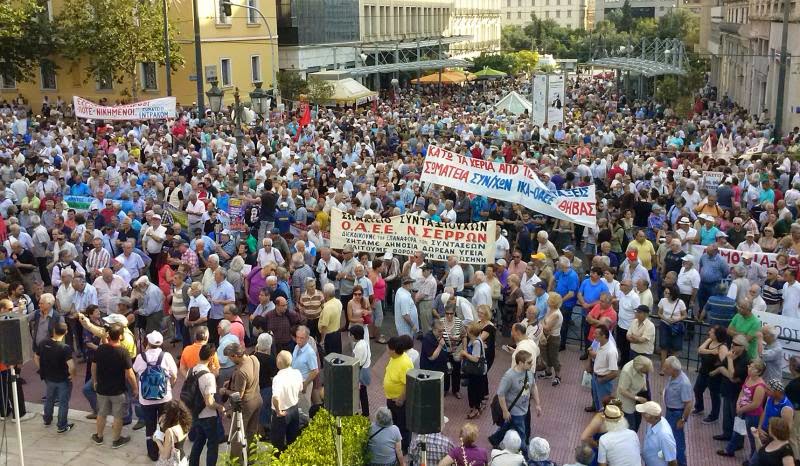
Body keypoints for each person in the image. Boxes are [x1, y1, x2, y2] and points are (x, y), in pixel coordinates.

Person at [132, 330, 179, 461]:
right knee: (165, 424)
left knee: (150, 426)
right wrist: (170, 387)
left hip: (146, 400)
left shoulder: (141, 357)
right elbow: (174, 376)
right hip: (165, 398)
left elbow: (135, 371)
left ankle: (152, 453)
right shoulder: (167, 356)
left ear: (148, 343)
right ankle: (165, 450)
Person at [91, 323, 137, 449]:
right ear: (121, 336)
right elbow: (130, 373)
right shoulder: (123, 352)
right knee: (118, 416)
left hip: (102, 389)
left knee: (101, 413)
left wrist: (95, 381)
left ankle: (99, 436)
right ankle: (116, 440)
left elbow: (93, 366)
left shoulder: (100, 349)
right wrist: (135, 388)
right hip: (118, 391)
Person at [488, 350, 541, 453]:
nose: (532, 364)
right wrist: (505, 411)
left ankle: (495, 439)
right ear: (520, 363)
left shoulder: (529, 372)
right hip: (515, 411)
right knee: (522, 434)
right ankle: (525, 454)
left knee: (507, 425)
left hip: (524, 408)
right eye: (529, 362)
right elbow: (501, 394)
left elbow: (533, 387)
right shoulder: (509, 376)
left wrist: (538, 404)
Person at [218, 342, 262, 462]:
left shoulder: (241, 372)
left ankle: (236, 461)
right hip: (257, 399)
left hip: (246, 405)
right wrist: (232, 382)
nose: (230, 360)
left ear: (234, 355)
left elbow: (238, 395)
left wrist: (225, 391)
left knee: (236, 436)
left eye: (229, 357)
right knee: (252, 432)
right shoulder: (254, 358)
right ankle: (252, 458)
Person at [718, 358, 768, 459]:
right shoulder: (749, 378)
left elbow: (756, 404)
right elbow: (742, 391)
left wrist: (741, 409)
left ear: (758, 372)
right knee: (737, 431)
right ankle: (730, 450)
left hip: (752, 414)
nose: (748, 368)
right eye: (749, 366)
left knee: (752, 438)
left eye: (752, 367)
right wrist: (738, 403)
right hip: (742, 410)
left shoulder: (760, 386)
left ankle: (753, 458)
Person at [187, 343, 226, 466]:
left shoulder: (191, 370)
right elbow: (209, 402)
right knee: (212, 445)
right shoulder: (208, 376)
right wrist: (220, 407)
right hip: (208, 416)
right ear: (211, 358)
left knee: (199, 441)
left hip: (195, 413)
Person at [36, 321, 76, 433]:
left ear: (53, 331)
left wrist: (41, 367)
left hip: (48, 377)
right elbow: (71, 366)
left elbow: (36, 356)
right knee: (63, 402)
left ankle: (47, 420)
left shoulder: (43, 343)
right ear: (66, 332)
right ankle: (62, 425)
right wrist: (73, 376)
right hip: (63, 379)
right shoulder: (65, 348)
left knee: (49, 399)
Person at [662, 356, 693, 466]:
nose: (663, 369)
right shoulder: (673, 376)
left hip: (676, 414)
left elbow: (689, 403)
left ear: (673, 369)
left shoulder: (684, 383)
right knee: (670, 437)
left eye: (666, 368)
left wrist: (683, 419)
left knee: (677, 440)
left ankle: (681, 463)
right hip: (670, 411)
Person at [384, 335, 413, 454]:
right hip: (391, 399)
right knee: (394, 425)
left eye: (387, 348)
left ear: (393, 350)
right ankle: (396, 445)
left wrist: (401, 399)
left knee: (403, 426)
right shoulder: (394, 358)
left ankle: (404, 448)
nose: (386, 349)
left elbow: (408, 384)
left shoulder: (405, 363)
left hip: (400, 401)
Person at [693, 325, 728, 423]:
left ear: (717, 335)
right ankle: (699, 407)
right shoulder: (709, 341)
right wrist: (712, 351)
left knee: (714, 395)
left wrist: (716, 371)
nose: (709, 333)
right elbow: (700, 349)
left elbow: (724, 363)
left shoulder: (722, 347)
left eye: (712, 332)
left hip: (714, 375)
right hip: (703, 371)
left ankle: (714, 416)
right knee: (697, 390)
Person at [616, 356, 653, 432]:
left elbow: (643, 380)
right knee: (631, 426)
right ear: (639, 369)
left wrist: (645, 394)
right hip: (627, 404)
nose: (646, 373)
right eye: (645, 371)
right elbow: (622, 390)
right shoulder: (627, 372)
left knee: (637, 422)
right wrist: (637, 398)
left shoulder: (643, 367)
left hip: (637, 401)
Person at [636, 401, 678, 466]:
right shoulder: (654, 422)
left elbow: (672, 461)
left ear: (653, 417)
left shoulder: (664, 436)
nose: (642, 414)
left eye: (644, 413)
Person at [253, 332, 278, 437]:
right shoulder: (271, 359)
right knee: (266, 410)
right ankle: (266, 432)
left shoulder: (252, 356)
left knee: (258, 412)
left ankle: (260, 432)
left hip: (255, 387)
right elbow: (273, 377)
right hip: (267, 388)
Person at [589, 325, 619, 413]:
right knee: (597, 400)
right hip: (596, 377)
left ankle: (602, 422)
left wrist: (602, 380)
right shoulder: (599, 343)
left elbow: (614, 373)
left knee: (604, 406)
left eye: (596, 334)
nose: (594, 335)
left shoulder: (611, 351)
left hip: (603, 381)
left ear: (604, 336)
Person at [462, 321, 488, 420]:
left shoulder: (476, 342)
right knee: (473, 388)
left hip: (476, 371)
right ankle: (475, 406)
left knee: (474, 389)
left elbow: (476, 358)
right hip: (475, 371)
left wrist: (465, 354)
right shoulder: (475, 340)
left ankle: (476, 409)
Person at [152, 400, 191, 465]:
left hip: (172, 462)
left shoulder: (170, 431)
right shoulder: (185, 424)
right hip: (182, 459)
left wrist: (157, 441)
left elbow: (165, 455)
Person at [441, 302, 466, 398]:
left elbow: (464, 336)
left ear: (454, 313)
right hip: (445, 351)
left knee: (456, 370)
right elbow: (437, 335)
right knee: (445, 370)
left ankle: (456, 390)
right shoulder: (441, 321)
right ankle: (445, 389)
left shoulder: (459, 322)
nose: (449, 316)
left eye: (451, 313)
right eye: (447, 313)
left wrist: (464, 350)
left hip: (456, 351)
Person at [541, 293, 563, 386]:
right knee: (546, 354)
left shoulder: (556, 314)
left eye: (549, 299)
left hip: (553, 337)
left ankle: (558, 376)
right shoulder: (550, 310)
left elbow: (547, 327)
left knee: (554, 357)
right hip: (547, 336)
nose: (547, 300)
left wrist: (541, 323)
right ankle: (548, 372)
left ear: (553, 302)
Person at [350, 325, 372, 416]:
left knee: (359, 393)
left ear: (355, 335)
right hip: (365, 369)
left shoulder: (359, 347)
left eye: (351, 334)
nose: (350, 336)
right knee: (363, 393)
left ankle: (360, 412)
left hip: (360, 373)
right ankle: (365, 412)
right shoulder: (364, 342)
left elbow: (356, 363)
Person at [319, 282, 343, 355]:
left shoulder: (327, 308)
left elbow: (324, 326)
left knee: (331, 356)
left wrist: (322, 340)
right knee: (338, 353)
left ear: (325, 294)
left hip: (329, 336)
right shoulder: (338, 302)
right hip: (337, 333)